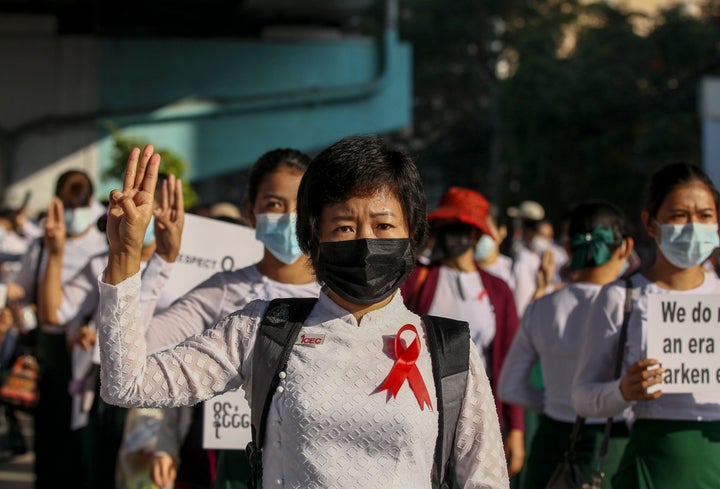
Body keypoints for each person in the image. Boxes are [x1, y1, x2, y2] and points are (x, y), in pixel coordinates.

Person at [97, 136, 509, 489]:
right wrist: (125, 257)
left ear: (413, 235)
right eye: (344, 226)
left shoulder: (448, 352)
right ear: (313, 237)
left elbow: (486, 480)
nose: (365, 241)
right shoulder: (261, 330)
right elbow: (127, 385)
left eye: (383, 226)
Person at [142, 148, 320, 489]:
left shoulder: (338, 296)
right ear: (251, 213)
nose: (288, 216)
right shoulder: (223, 290)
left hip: (311, 465)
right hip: (234, 464)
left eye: (301, 204)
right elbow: (144, 347)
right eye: (273, 204)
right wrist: (159, 260)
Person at [572, 162, 720, 489]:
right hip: (651, 468)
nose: (694, 227)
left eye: (705, 216)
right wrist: (622, 391)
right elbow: (582, 397)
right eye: (679, 215)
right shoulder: (621, 297)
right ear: (650, 224)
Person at [37, 169, 185, 488]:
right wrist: (56, 253)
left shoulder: (184, 268)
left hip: (166, 399)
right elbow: (53, 315)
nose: (137, 214)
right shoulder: (102, 263)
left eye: (146, 205)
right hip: (112, 394)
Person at [498, 201, 634, 488]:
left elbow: (510, 386)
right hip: (610, 440)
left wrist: (554, 402)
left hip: (551, 439)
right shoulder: (632, 307)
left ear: (569, 248)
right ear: (625, 247)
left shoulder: (542, 307)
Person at [400, 186, 525, 479]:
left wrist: (516, 427)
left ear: (475, 235)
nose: (449, 235)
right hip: (425, 405)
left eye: (458, 228)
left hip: (480, 409)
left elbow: (509, 360)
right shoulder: (417, 278)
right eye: (443, 227)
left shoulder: (498, 290)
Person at [475, 205, 515, 290]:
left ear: (502, 232)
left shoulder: (511, 271)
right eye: (477, 231)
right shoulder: (461, 272)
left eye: (486, 230)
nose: (480, 236)